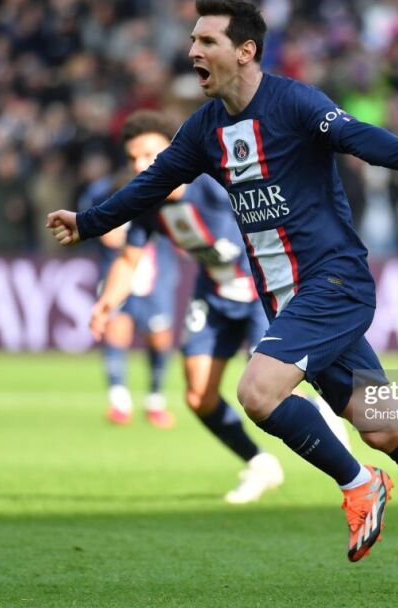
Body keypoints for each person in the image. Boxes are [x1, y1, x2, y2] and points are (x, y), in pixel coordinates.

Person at [48, 0, 398, 591]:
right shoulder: (204, 130)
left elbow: (358, 137)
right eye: (192, 41)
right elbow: (151, 185)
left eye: (207, 41)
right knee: (383, 427)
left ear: (245, 50)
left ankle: (360, 485)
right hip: (286, 299)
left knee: (257, 391)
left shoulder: (294, 102)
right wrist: (88, 223)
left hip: (334, 282)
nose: (193, 51)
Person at [93, 109, 286, 503]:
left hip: (262, 293)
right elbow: (128, 261)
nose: (140, 166)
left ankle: (341, 442)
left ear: (173, 151)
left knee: (268, 387)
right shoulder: (147, 205)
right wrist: (107, 303)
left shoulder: (212, 184)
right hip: (214, 294)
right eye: (133, 158)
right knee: (199, 397)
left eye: (149, 155)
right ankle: (260, 464)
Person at [81, 160, 178, 429]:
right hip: (118, 276)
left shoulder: (164, 197)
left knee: (159, 338)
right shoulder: (102, 196)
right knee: (116, 331)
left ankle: (155, 400)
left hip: (155, 280)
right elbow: (101, 232)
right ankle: (119, 401)